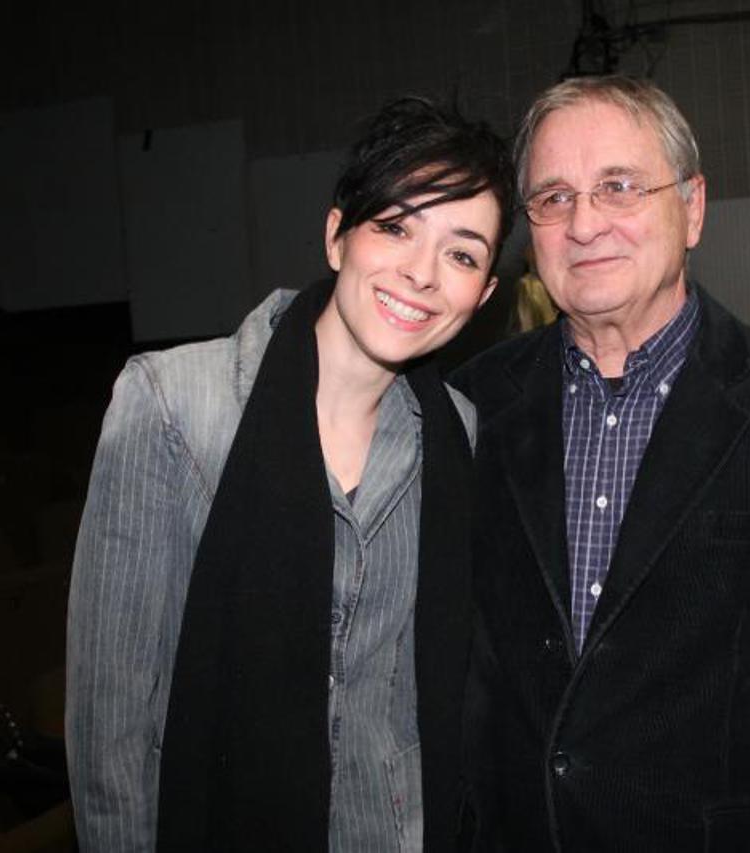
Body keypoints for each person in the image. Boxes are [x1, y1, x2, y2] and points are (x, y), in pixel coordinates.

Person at [451, 75, 750, 852]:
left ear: (692, 208)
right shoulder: (472, 403)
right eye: (553, 197)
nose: (584, 224)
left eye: (618, 187)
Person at [65, 97, 514, 852]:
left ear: (486, 295)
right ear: (337, 234)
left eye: (463, 254)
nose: (422, 273)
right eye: (397, 226)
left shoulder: (455, 436)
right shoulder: (172, 407)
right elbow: (112, 730)